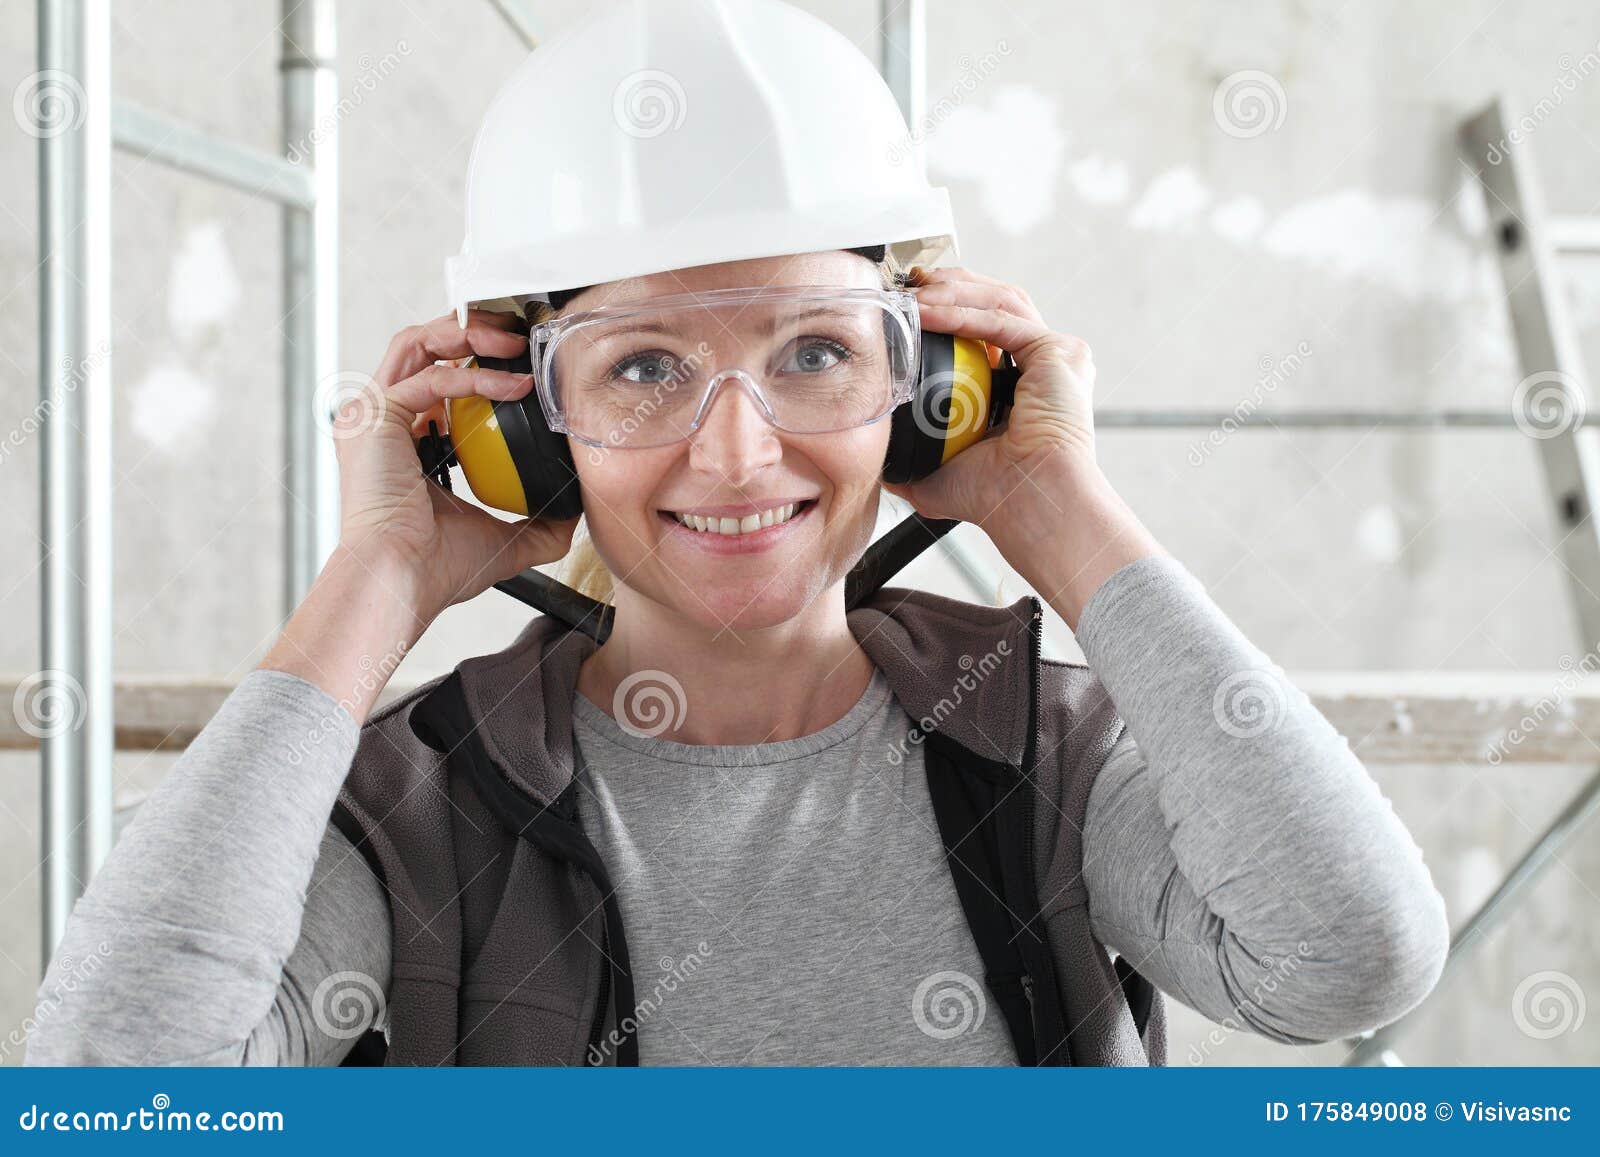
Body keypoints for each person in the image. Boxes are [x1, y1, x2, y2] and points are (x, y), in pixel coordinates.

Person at [25, 0, 1448, 1067]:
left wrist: (1054, 505)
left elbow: (1351, 956)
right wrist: (378, 576)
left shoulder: (1037, 755)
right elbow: (122, 1085)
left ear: (930, 388)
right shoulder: (423, 812)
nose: (738, 447)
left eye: (817, 355)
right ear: (524, 423)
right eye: (643, 366)